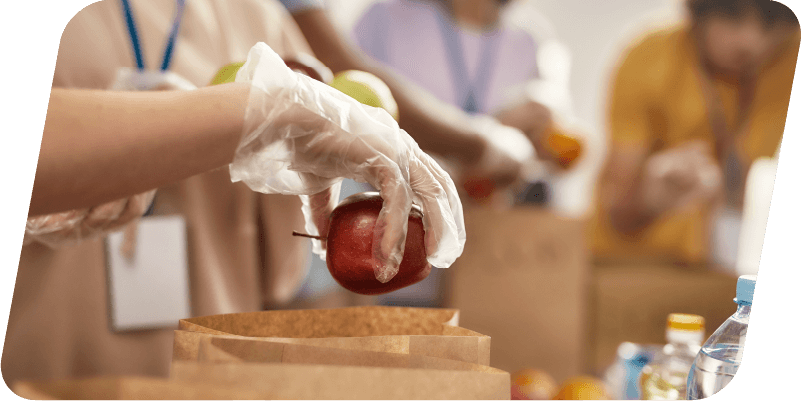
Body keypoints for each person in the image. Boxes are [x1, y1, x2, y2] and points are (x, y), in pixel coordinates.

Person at [5, 0, 462, 386]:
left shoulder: (262, 19)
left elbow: (293, 266)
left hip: (215, 377)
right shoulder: (255, 18)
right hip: (36, 371)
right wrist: (245, 114)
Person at [590, 0, 798, 266]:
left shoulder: (787, 56)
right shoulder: (649, 57)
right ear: (697, 12)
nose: (750, 41)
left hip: (718, 266)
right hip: (629, 262)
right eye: (731, 15)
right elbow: (617, 210)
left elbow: (745, 179)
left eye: (771, 22)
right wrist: (651, 198)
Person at [347, 0, 585, 204]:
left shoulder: (531, 39)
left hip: (493, 226)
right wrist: (495, 129)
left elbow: (564, 154)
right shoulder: (384, 19)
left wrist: (543, 134)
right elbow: (359, 127)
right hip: (392, 211)